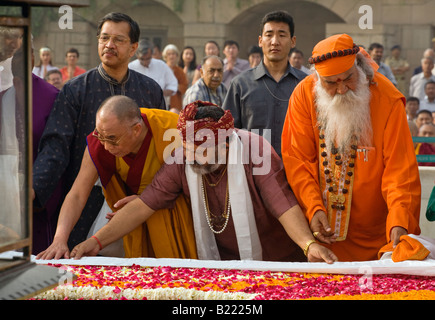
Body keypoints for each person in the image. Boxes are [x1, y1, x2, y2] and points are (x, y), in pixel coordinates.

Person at [69, 101, 337, 264]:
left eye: (202, 149)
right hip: (221, 264)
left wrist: (308, 245)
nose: (192, 156)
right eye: (187, 148)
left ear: (225, 142)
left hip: (275, 260)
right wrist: (96, 241)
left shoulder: (254, 150)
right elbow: (144, 205)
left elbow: (282, 203)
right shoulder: (182, 159)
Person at [281, 33, 421, 261]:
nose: (342, 89)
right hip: (322, 238)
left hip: (379, 239)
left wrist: (400, 221)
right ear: (317, 78)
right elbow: (299, 161)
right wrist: (313, 207)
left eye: (348, 78)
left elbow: (400, 171)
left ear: (361, 68)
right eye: (331, 83)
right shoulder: (303, 95)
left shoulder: (387, 99)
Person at [33, 12, 166, 251]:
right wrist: (34, 189)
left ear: (134, 47)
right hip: (84, 197)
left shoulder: (150, 90)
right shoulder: (74, 90)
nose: (109, 45)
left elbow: (162, 151)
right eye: (104, 38)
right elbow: (56, 148)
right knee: (79, 265)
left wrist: (152, 195)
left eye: (118, 40)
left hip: (139, 200)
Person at [36, 95, 197, 260]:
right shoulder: (101, 141)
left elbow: (198, 184)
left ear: (136, 130)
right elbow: (77, 194)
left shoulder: (172, 128)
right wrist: (59, 239)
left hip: (174, 213)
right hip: (129, 219)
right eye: (100, 136)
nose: (106, 146)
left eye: (112, 140)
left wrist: (147, 198)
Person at [223, 10, 307, 158]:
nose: (275, 41)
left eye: (282, 35)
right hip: (252, 172)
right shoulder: (240, 84)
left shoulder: (305, 84)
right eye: (269, 35)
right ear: (260, 41)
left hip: (296, 173)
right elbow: (227, 132)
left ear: (293, 41)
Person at [128, 39, 178, 107]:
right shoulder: (130, 67)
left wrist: (160, 93)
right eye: (142, 59)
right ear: (137, 56)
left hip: (158, 108)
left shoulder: (161, 65)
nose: (145, 62)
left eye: (148, 59)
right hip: (138, 109)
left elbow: (173, 84)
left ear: (152, 54)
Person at [162, 44, 188, 113]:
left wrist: (174, 86)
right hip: (163, 98)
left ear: (177, 56)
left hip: (175, 100)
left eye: (173, 54)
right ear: (165, 56)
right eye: (169, 54)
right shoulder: (161, 69)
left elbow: (184, 85)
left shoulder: (180, 71)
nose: (171, 56)